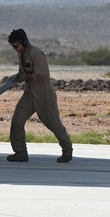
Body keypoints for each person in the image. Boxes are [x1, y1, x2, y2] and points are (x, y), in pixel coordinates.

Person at [6, 28, 73, 163]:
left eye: (16, 46)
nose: (14, 49)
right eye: (12, 46)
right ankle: (20, 152)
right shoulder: (21, 54)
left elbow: (43, 74)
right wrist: (17, 77)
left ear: (23, 42)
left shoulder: (36, 54)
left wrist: (26, 76)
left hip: (44, 95)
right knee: (17, 121)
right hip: (30, 94)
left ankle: (67, 151)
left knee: (54, 124)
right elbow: (22, 71)